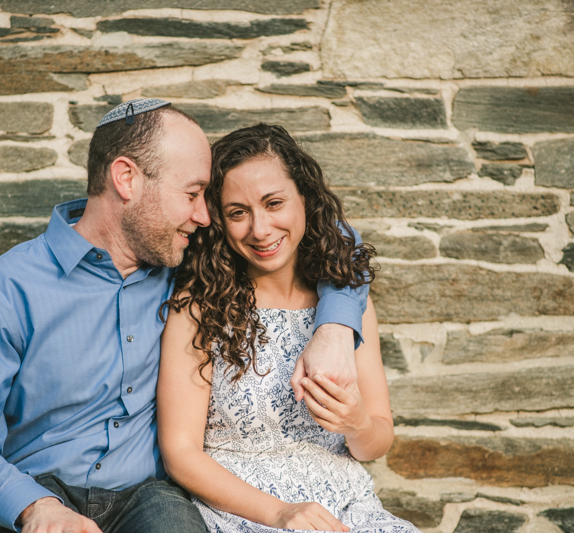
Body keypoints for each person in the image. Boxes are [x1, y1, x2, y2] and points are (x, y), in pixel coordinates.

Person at [0, 100, 368, 533]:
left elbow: (334, 240)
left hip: (148, 497)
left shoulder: (190, 263)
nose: (203, 215)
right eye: (193, 194)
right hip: (34, 495)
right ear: (126, 179)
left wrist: (334, 328)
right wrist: (35, 507)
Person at [157, 124, 420, 533]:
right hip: (240, 510)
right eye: (237, 213)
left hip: (345, 507)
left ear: (305, 200)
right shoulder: (199, 306)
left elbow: (377, 441)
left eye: (274, 203)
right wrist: (279, 513)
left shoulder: (347, 308)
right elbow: (180, 452)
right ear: (220, 222)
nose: (260, 229)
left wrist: (357, 424)